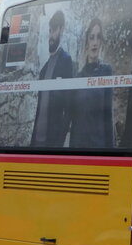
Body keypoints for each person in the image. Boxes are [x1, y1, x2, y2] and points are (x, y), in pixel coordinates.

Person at [32, 9, 74, 146]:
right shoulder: (45, 68)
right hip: (36, 143)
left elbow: (69, 107)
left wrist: (59, 141)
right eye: (50, 30)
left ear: (62, 29)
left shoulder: (66, 61)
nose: (51, 35)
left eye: (54, 30)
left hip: (52, 143)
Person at [71, 17, 115, 147]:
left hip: (99, 147)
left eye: (98, 37)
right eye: (91, 37)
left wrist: (110, 152)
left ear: (101, 41)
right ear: (86, 42)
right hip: (79, 149)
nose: (95, 42)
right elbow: (74, 119)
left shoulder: (107, 71)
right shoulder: (78, 77)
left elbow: (108, 115)